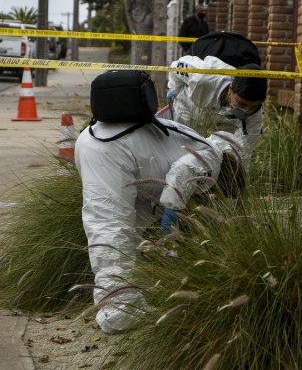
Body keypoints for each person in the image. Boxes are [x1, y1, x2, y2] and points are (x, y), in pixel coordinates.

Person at [76, 75, 243, 333]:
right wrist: (172, 211)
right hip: (114, 151)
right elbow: (180, 176)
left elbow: (146, 198)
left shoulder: (188, 136)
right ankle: (120, 309)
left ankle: (122, 297)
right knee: (110, 226)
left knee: (117, 225)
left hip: (91, 140)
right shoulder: (211, 158)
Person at [165, 55, 268, 159]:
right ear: (230, 89)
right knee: (180, 146)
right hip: (188, 106)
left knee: (224, 150)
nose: (246, 111)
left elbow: (245, 149)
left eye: (252, 107)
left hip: (223, 119)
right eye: (242, 104)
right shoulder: (202, 76)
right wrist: (174, 89)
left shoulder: (255, 112)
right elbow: (175, 66)